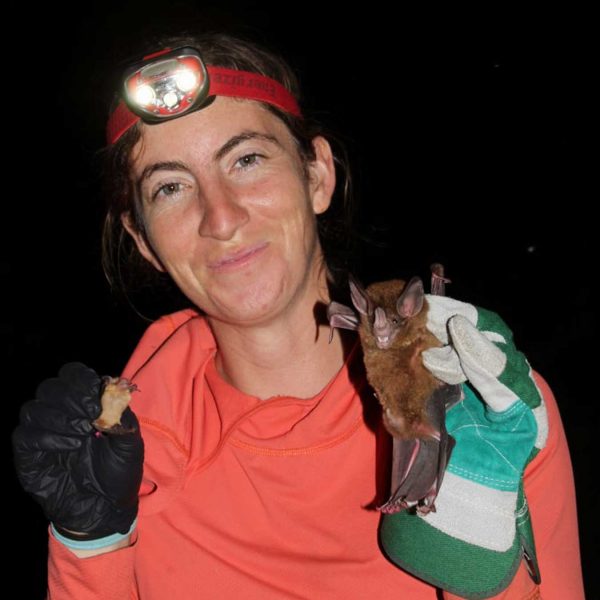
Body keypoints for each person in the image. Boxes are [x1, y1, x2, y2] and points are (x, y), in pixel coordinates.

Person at [12, 32, 584, 599]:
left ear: (317, 175)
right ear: (142, 240)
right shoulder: (120, 457)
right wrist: (91, 545)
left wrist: (476, 530)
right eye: (170, 187)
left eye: (247, 159)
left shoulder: (484, 404)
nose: (221, 216)